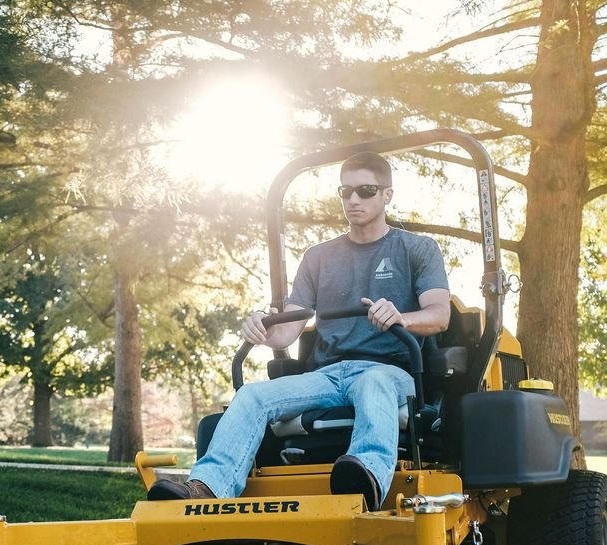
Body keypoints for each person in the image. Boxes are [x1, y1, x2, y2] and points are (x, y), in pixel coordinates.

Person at [149, 151, 450, 510]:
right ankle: (207, 488)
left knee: (372, 383)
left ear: (387, 195)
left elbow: (439, 315)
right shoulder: (318, 257)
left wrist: (402, 318)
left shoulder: (417, 249)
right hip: (326, 375)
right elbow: (286, 332)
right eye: (346, 191)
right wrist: (261, 326)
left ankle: (365, 476)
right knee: (253, 396)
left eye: (366, 191)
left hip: (388, 371)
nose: (354, 200)